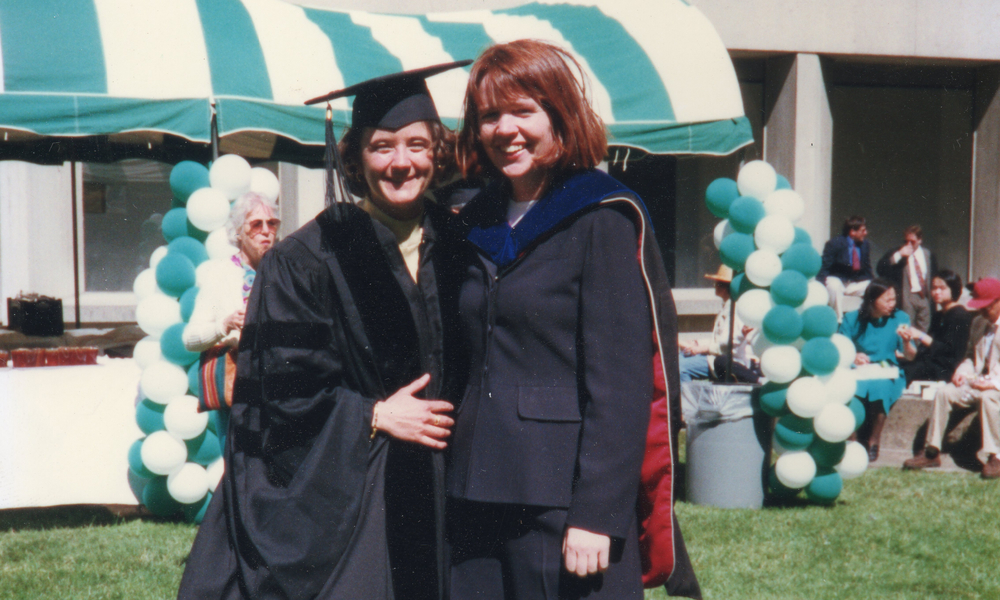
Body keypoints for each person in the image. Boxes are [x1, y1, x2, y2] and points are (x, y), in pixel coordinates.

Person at [177, 61, 469, 600]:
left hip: (454, 495)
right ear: (356, 155)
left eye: (416, 145)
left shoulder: (461, 245)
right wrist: (373, 415)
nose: (401, 163)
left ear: (437, 151)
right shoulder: (306, 259)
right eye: (382, 147)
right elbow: (276, 397)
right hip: (362, 500)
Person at [447, 40, 701, 600]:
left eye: (522, 110)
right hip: (472, 491)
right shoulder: (474, 220)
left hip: (558, 497)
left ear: (560, 115)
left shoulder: (601, 217)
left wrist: (597, 512)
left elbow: (621, 383)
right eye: (489, 115)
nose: (504, 129)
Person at [903, 277, 1000, 478]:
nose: (982, 310)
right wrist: (962, 370)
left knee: (987, 398)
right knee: (944, 393)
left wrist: (992, 383)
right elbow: (970, 356)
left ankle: (996, 456)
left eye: (987, 306)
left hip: (995, 387)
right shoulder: (979, 323)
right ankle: (932, 451)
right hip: (977, 381)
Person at [838, 278, 909, 462]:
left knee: (881, 388)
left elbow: (909, 354)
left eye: (894, 299)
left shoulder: (900, 318)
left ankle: (873, 440)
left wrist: (908, 341)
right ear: (872, 300)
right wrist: (853, 357)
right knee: (850, 390)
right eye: (887, 300)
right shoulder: (852, 318)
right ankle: (851, 439)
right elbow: (840, 346)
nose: (891, 304)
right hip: (858, 369)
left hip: (886, 368)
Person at [678, 265, 758, 383]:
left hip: (726, 362)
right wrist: (697, 342)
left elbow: (729, 344)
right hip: (716, 357)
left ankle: (687, 399)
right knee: (679, 357)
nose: (714, 285)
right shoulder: (728, 306)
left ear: (725, 287)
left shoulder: (735, 310)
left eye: (717, 282)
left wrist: (700, 349)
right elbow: (719, 338)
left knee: (680, 367)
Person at [898, 270, 972, 384]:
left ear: (953, 289)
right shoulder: (938, 315)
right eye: (933, 288)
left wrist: (921, 335)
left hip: (947, 369)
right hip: (930, 365)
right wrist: (907, 341)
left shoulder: (960, 315)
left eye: (942, 288)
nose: (936, 292)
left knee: (907, 372)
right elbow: (922, 352)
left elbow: (950, 351)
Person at [877, 224, 936, 332]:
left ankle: (920, 349)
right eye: (906, 241)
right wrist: (899, 254)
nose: (908, 244)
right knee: (907, 327)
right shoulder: (899, 252)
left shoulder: (928, 254)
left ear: (920, 240)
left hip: (924, 296)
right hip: (907, 296)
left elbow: (933, 276)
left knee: (925, 328)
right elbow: (880, 269)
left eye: (912, 242)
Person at [818, 215, 874, 321]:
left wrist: (873, 282)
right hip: (838, 281)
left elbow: (867, 267)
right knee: (833, 284)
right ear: (852, 232)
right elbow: (825, 267)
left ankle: (867, 319)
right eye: (862, 230)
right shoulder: (834, 243)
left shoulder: (864, 245)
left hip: (853, 284)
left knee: (873, 287)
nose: (865, 233)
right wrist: (820, 287)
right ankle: (838, 320)